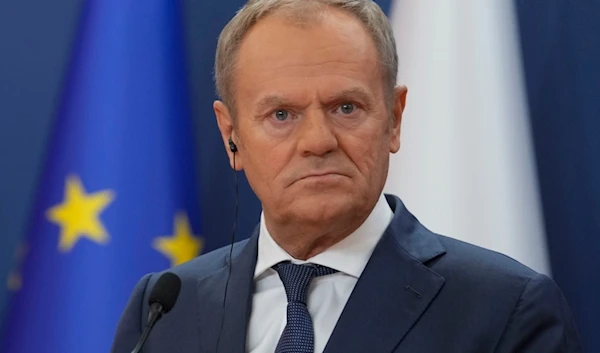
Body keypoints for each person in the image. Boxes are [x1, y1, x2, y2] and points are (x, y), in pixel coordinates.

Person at [111, 0, 582, 352]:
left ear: (394, 119)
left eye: (346, 107)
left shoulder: (505, 311)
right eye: (281, 114)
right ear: (231, 133)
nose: (318, 140)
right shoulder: (165, 309)